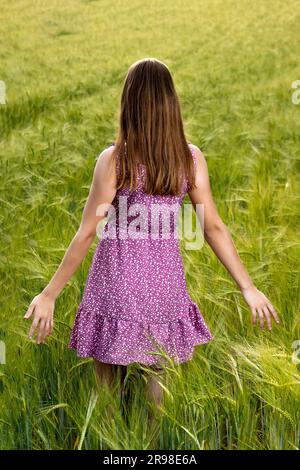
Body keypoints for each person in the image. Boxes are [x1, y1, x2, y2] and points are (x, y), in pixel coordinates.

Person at [24, 57, 280, 428]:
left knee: (105, 396)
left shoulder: (115, 160)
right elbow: (214, 229)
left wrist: (50, 293)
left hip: (115, 285)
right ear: (170, 105)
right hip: (164, 289)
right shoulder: (189, 160)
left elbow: (86, 233)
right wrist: (248, 286)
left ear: (128, 104)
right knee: (157, 396)